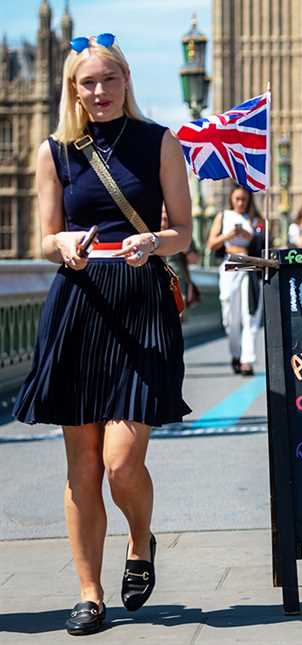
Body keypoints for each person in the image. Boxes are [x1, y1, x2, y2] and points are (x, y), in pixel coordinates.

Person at [14, 32, 192, 634]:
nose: (99, 90)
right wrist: (63, 244)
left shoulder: (158, 142)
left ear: (126, 81)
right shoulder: (55, 152)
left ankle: (140, 542)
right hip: (79, 304)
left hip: (139, 305)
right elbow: (47, 236)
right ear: (73, 88)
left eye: (108, 79)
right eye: (87, 82)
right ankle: (89, 592)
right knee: (83, 466)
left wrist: (153, 241)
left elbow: (184, 234)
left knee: (120, 463)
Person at [206, 186, 266, 376]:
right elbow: (211, 244)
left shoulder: (256, 220)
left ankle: (247, 359)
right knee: (230, 314)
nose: (241, 203)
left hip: (249, 264)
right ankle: (236, 354)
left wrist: (251, 237)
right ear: (232, 199)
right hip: (230, 263)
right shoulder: (223, 216)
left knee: (251, 313)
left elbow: (264, 243)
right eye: (237, 199)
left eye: (244, 199)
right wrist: (228, 236)